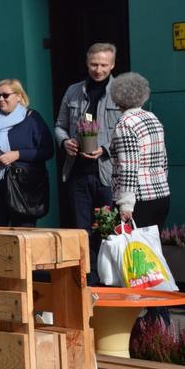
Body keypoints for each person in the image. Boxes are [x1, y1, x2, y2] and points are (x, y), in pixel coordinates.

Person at [54, 42, 121, 282]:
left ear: (112, 65)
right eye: (94, 64)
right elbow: (60, 126)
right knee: (82, 230)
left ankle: (111, 281)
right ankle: (87, 280)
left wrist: (104, 149)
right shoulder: (73, 91)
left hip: (108, 174)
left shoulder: (120, 92)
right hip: (78, 173)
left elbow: (128, 132)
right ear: (87, 63)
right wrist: (65, 143)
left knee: (109, 231)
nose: (98, 69)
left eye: (104, 64)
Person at [0, 79, 54, 227]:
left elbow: (47, 151)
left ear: (19, 96)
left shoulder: (32, 119)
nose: (1, 99)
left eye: (5, 95)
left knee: (23, 235)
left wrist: (17, 155)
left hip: (24, 187)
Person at [109, 73, 169, 226]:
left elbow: (128, 166)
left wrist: (126, 204)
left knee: (135, 250)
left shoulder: (125, 123)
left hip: (138, 200)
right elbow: (164, 159)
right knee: (153, 248)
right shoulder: (152, 117)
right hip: (161, 194)